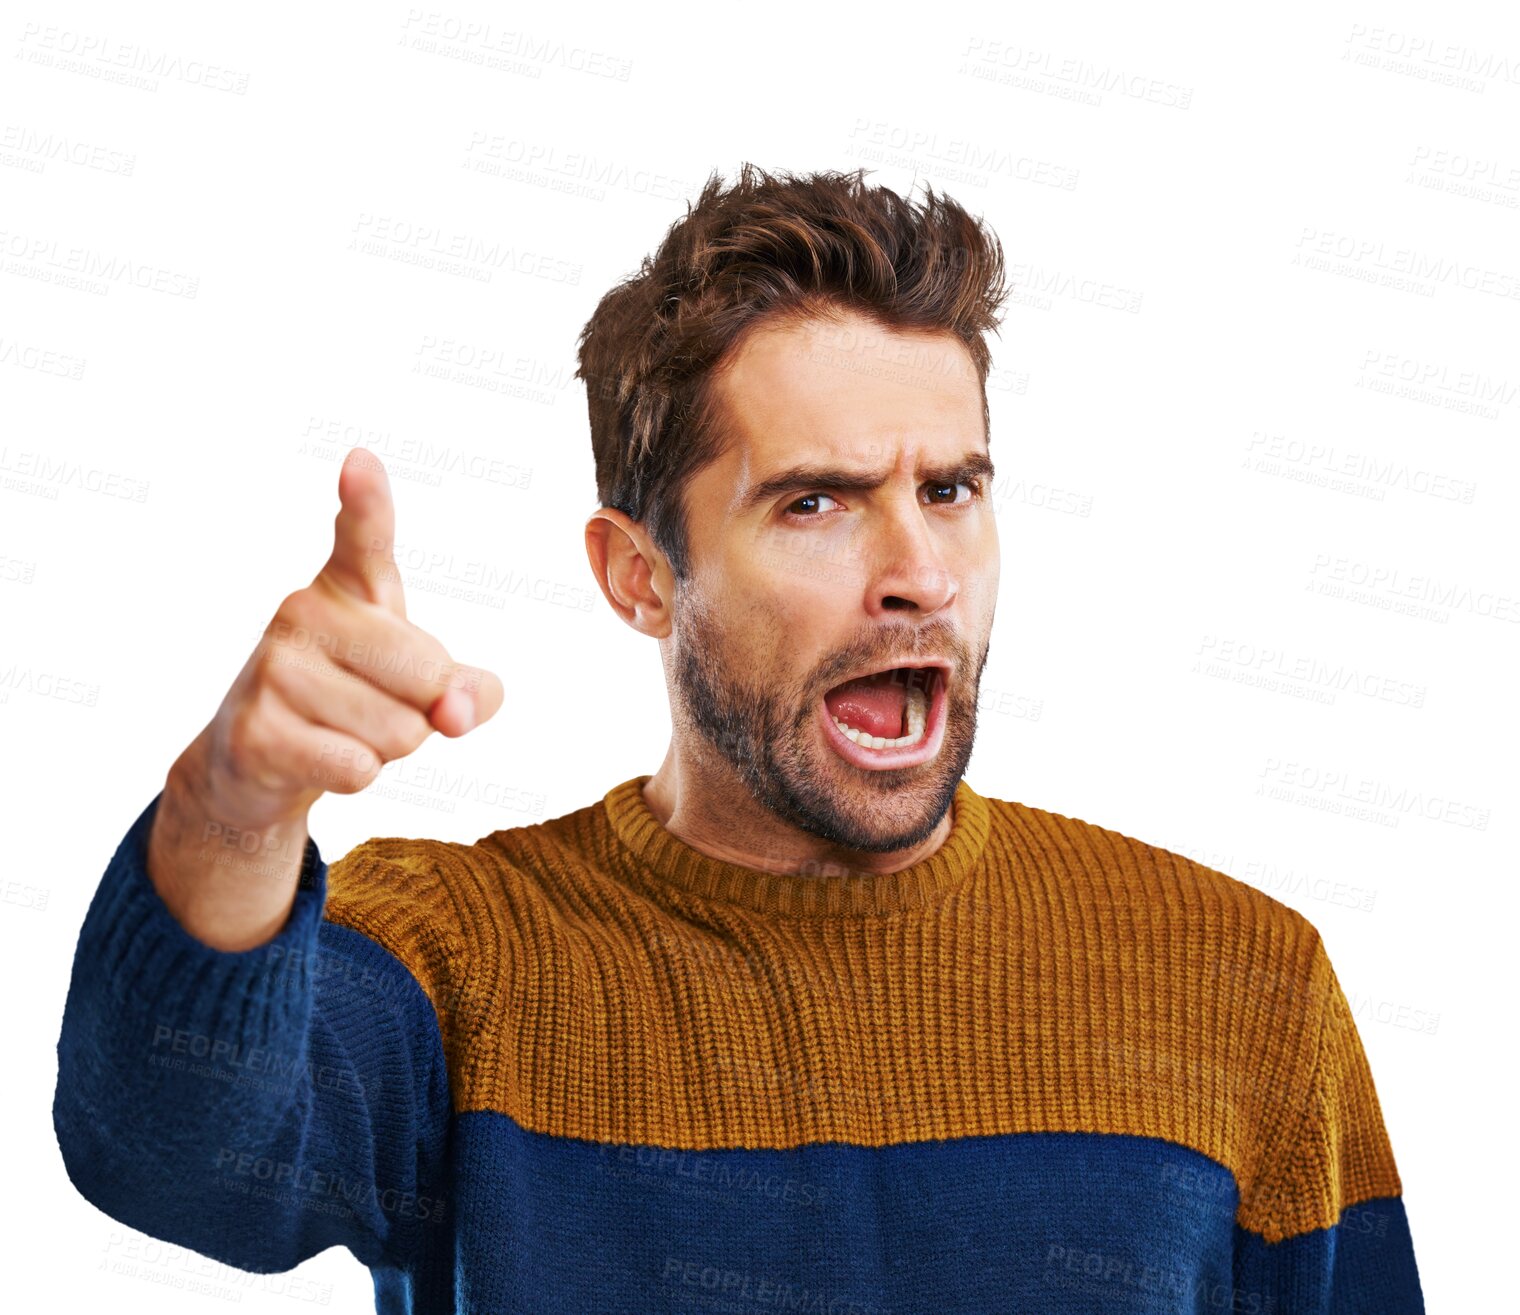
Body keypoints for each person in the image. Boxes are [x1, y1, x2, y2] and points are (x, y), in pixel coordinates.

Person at [53, 164, 1426, 1313]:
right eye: (817, 505)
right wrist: (233, 805)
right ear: (640, 574)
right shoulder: (461, 959)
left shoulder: (1242, 980)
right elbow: (166, 1151)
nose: (921, 575)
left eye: (949, 490)